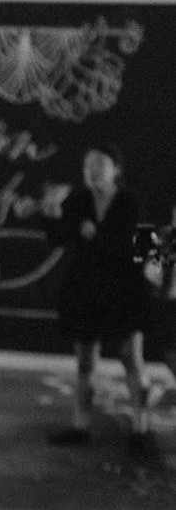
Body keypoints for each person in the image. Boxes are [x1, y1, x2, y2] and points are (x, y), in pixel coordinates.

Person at [41, 144, 153, 449]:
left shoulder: (129, 201)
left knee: (132, 358)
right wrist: (52, 212)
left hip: (124, 289)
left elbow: (128, 244)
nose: (91, 170)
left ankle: (141, 431)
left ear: (115, 169)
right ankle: (80, 427)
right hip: (87, 288)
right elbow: (60, 237)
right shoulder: (78, 200)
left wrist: (94, 232)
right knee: (85, 362)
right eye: (87, 164)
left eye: (99, 164)